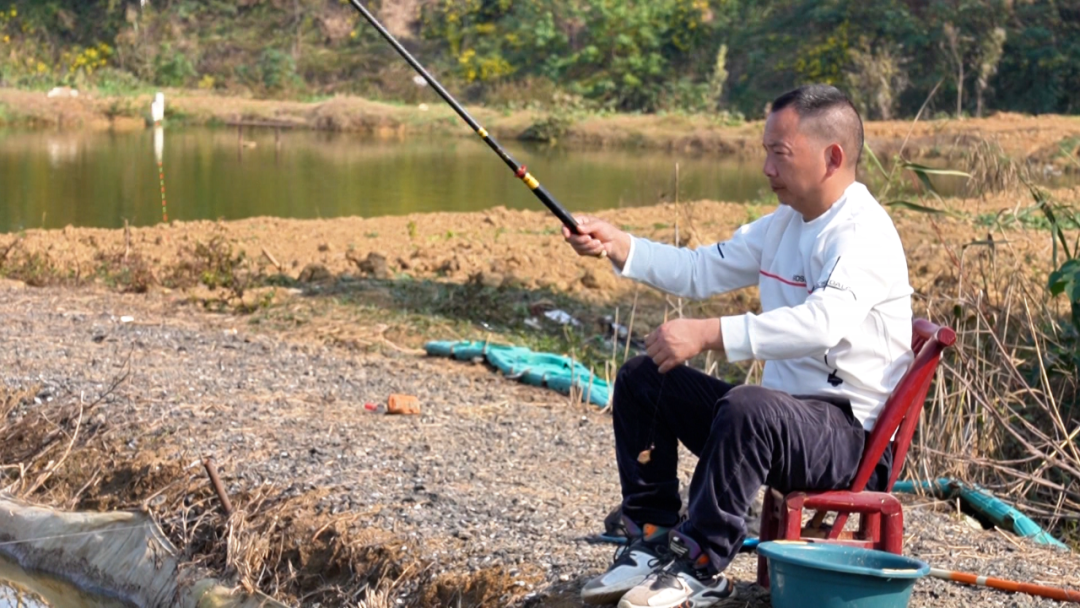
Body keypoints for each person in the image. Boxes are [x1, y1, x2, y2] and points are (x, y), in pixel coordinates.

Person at [563, 84, 913, 608]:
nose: (767, 168)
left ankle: (701, 565)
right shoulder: (783, 224)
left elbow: (823, 323)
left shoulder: (863, 233)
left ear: (832, 157)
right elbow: (700, 269)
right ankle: (651, 539)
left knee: (748, 406)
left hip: (847, 436)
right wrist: (620, 244)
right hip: (780, 423)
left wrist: (709, 334)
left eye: (780, 154)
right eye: (765, 152)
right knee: (642, 378)